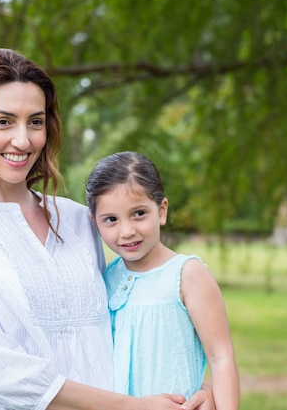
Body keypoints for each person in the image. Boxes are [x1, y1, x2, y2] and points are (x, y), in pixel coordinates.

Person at [0, 48, 216, 410]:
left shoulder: (79, 220)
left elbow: (132, 319)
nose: (23, 140)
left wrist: (194, 386)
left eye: (35, 122)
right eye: (4, 122)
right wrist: (130, 407)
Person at [86, 151, 240, 410]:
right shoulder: (104, 278)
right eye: (111, 219)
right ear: (95, 223)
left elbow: (221, 357)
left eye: (138, 214)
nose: (127, 231)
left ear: (162, 211)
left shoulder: (186, 275)